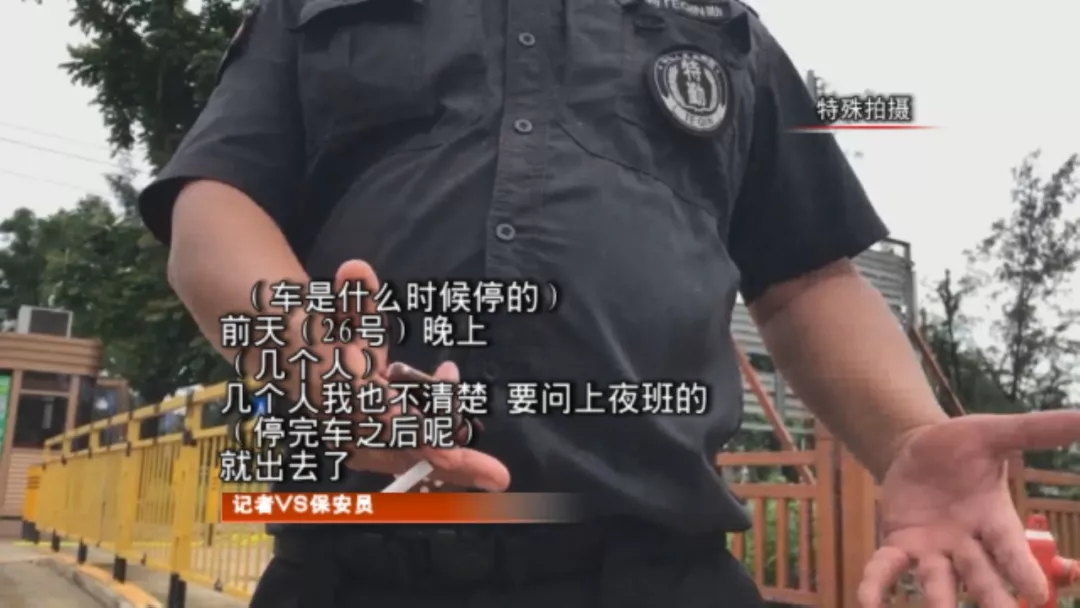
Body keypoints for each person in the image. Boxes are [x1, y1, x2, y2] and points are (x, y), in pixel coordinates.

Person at [138, 0, 1080, 606]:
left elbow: (807, 278)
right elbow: (214, 203)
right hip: (356, 563)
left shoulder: (729, 34)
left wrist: (908, 435)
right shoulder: (309, 10)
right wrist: (312, 358)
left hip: (656, 572)